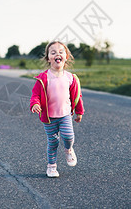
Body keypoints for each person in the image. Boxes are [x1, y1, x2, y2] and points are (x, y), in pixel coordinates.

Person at [30, 41, 85, 178]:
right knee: (53, 142)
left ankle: (68, 149)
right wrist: (35, 104)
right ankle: (51, 167)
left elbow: (77, 96)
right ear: (48, 58)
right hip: (49, 118)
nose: (57, 54)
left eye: (61, 52)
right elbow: (35, 95)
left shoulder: (70, 78)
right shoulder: (43, 78)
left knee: (68, 136)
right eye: (53, 52)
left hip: (65, 115)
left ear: (66, 56)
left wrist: (79, 112)